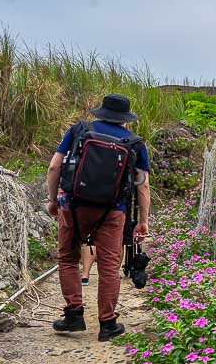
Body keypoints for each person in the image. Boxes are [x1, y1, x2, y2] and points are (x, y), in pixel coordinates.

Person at [45, 93, 151, 341]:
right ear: (125, 118)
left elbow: (54, 167)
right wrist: (143, 221)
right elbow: (142, 186)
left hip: (73, 205)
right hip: (113, 211)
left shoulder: (79, 130)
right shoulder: (134, 143)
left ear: (101, 112)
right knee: (109, 267)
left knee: (68, 258)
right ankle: (107, 324)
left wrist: (53, 200)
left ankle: (73, 315)